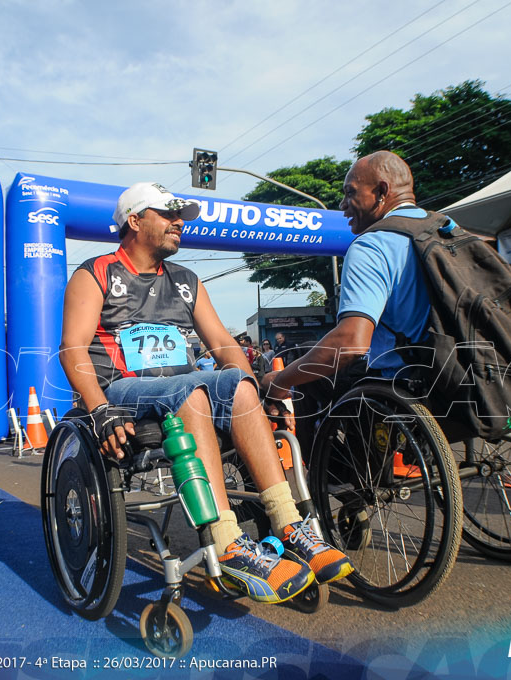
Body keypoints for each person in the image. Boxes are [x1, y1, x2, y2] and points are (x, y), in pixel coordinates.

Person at [59, 181, 354, 604]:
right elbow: (72, 349)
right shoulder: (96, 273)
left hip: (182, 385)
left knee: (239, 383)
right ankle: (227, 541)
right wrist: (99, 408)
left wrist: (250, 386)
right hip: (124, 390)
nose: (180, 222)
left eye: (181, 215)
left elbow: (223, 344)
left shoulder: (186, 280)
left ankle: (289, 524)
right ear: (134, 220)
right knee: (194, 393)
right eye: (168, 214)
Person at [261, 151, 441, 452]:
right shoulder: (446, 230)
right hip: (460, 373)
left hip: (402, 381)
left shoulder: (373, 243)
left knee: (307, 370)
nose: (343, 206)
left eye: (350, 194)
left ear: (382, 192)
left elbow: (351, 343)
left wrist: (282, 380)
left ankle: (318, 471)